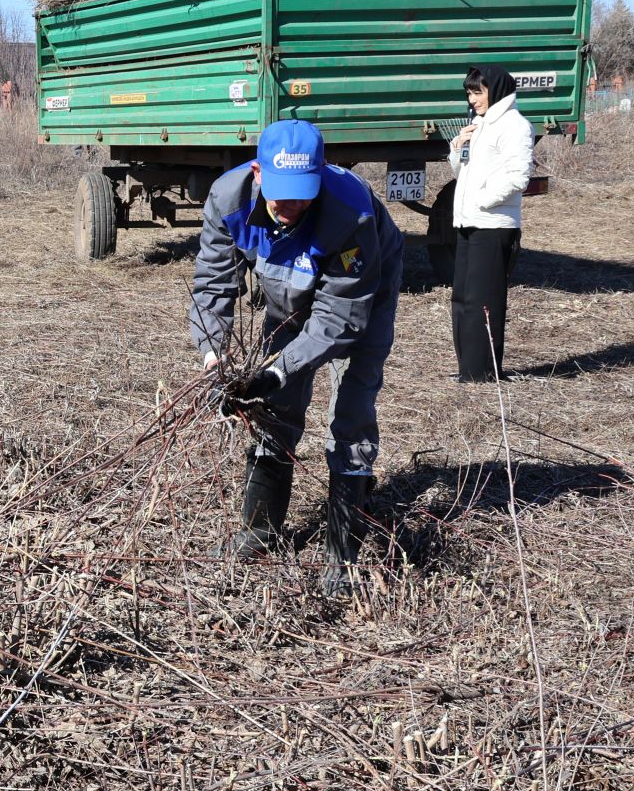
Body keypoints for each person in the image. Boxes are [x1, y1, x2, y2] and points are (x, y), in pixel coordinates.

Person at [190, 119, 405, 597]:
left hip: (360, 292)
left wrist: (278, 370)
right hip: (287, 291)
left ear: (322, 172)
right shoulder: (229, 200)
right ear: (258, 172)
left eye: (302, 195)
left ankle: (342, 552)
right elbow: (212, 286)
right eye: (280, 194)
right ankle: (261, 530)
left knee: (351, 405)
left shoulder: (351, 214)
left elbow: (339, 320)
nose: (290, 207)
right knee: (275, 410)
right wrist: (214, 357)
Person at [447, 64, 534, 382]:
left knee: (484, 300)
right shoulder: (479, 124)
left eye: (477, 92)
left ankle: (481, 373)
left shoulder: (514, 126)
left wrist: (482, 200)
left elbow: (518, 177)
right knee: (463, 298)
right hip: (469, 221)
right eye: (469, 92)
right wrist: (458, 148)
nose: (472, 99)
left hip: (494, 223)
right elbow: (463, 172)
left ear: (495, 90)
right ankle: (467, 369)